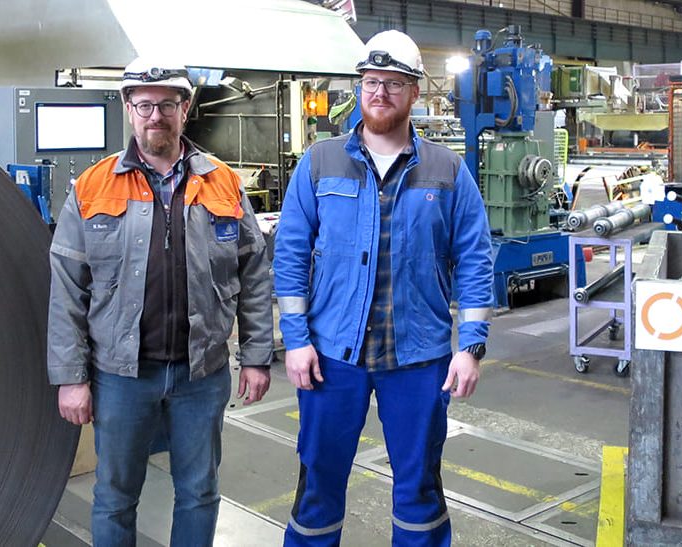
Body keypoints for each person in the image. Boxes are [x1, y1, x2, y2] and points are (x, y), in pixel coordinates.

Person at [273, 30, 493, 546]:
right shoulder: (320, 162)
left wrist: (472, 346)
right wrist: (297, 339)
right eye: (372, 82)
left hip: (418, 357)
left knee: (419, 487)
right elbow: (289, 256)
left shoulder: (448, 170)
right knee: (318, 483)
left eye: (394, 83)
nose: (380, 93)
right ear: (360, 87)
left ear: (415, 92)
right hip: (332, 355)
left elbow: (475, 259)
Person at [47, 57, 274, 547]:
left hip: (202, 375)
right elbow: (67, 288)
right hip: (121, 376)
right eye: (145, 104)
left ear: (184, 108)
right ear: (129, 109)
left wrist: (255, 357)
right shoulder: (92, 186)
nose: (156, 116)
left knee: (198, 491)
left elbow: (254, 273)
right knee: (115, 495)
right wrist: (71, 377)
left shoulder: (223, 183)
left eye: (167, 104)